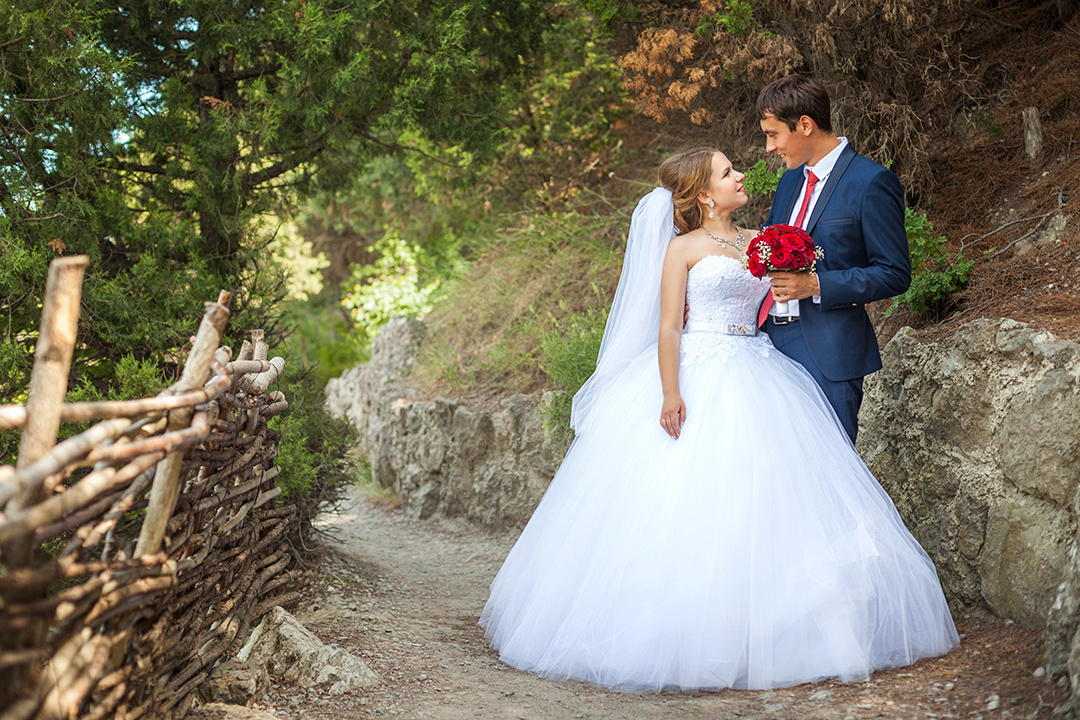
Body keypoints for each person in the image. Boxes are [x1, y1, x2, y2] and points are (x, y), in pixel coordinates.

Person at [478, 146, 958, 692]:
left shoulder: (762, 242)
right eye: (728, 172)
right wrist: (669, 392)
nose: (741, 175)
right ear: (704, 194)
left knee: (767, 493)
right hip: (698, 373)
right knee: (689, 494)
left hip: (759, 366)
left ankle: (779, 621)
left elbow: (781, 300)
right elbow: (667, 328)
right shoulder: (682, 249)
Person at [757, 75, 911, 444]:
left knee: (829, 471)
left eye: (773, 134)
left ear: (805, 125)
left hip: (827, 351)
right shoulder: (790, 181)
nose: (769, 147)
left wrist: (815, 285)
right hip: (766, 348)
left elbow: (894, 273)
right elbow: (764, 250)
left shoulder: (872, 181)